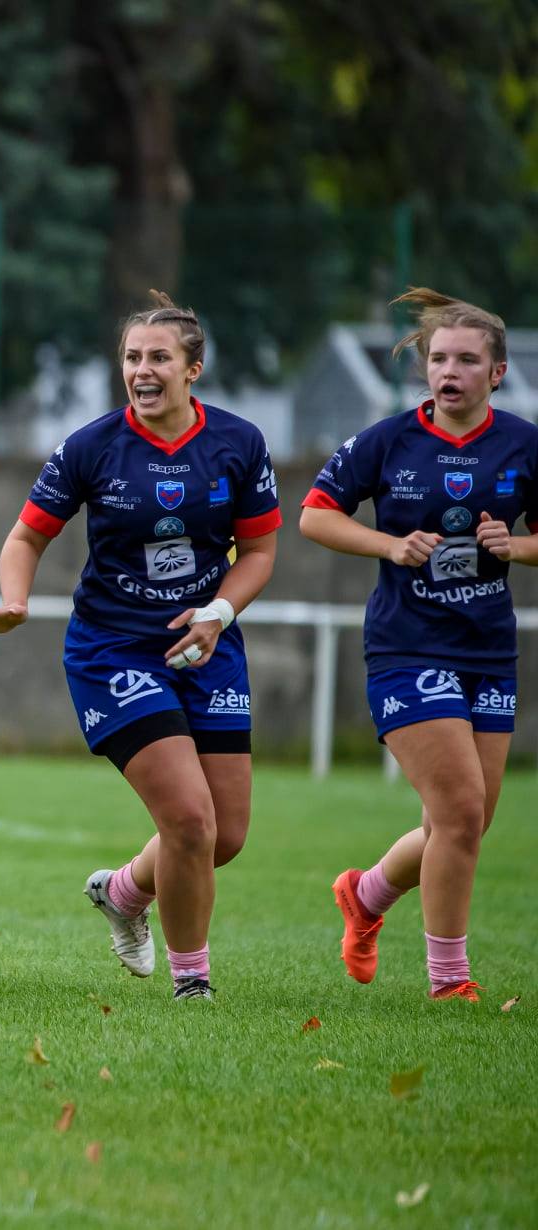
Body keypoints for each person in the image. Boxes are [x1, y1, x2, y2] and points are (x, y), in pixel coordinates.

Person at [0, 291, 281, 1001]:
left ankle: (124, 890)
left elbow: (259, 552)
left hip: (209, 646)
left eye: (159, 358)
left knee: (223, 836)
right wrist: (16, 599)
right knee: (189, 820)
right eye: (133, 357)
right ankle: (192, 982)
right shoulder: (91, 446)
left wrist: (220, 611)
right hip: (114, 653)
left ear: (192, 369)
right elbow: (26, 536)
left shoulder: (238, 444)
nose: (143, 370)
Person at [303, 288, 537, 1002]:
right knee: (461, 813)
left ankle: (366, 895)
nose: (450, 371)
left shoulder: (524, 444)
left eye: (467, 360)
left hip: (487, 650)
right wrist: (390, 544)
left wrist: (519, 547)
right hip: (407, 648)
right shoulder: (388, 441)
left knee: (460, 825)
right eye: (439, 358)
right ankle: (448, 980)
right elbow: (314, 517)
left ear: (496, 372)